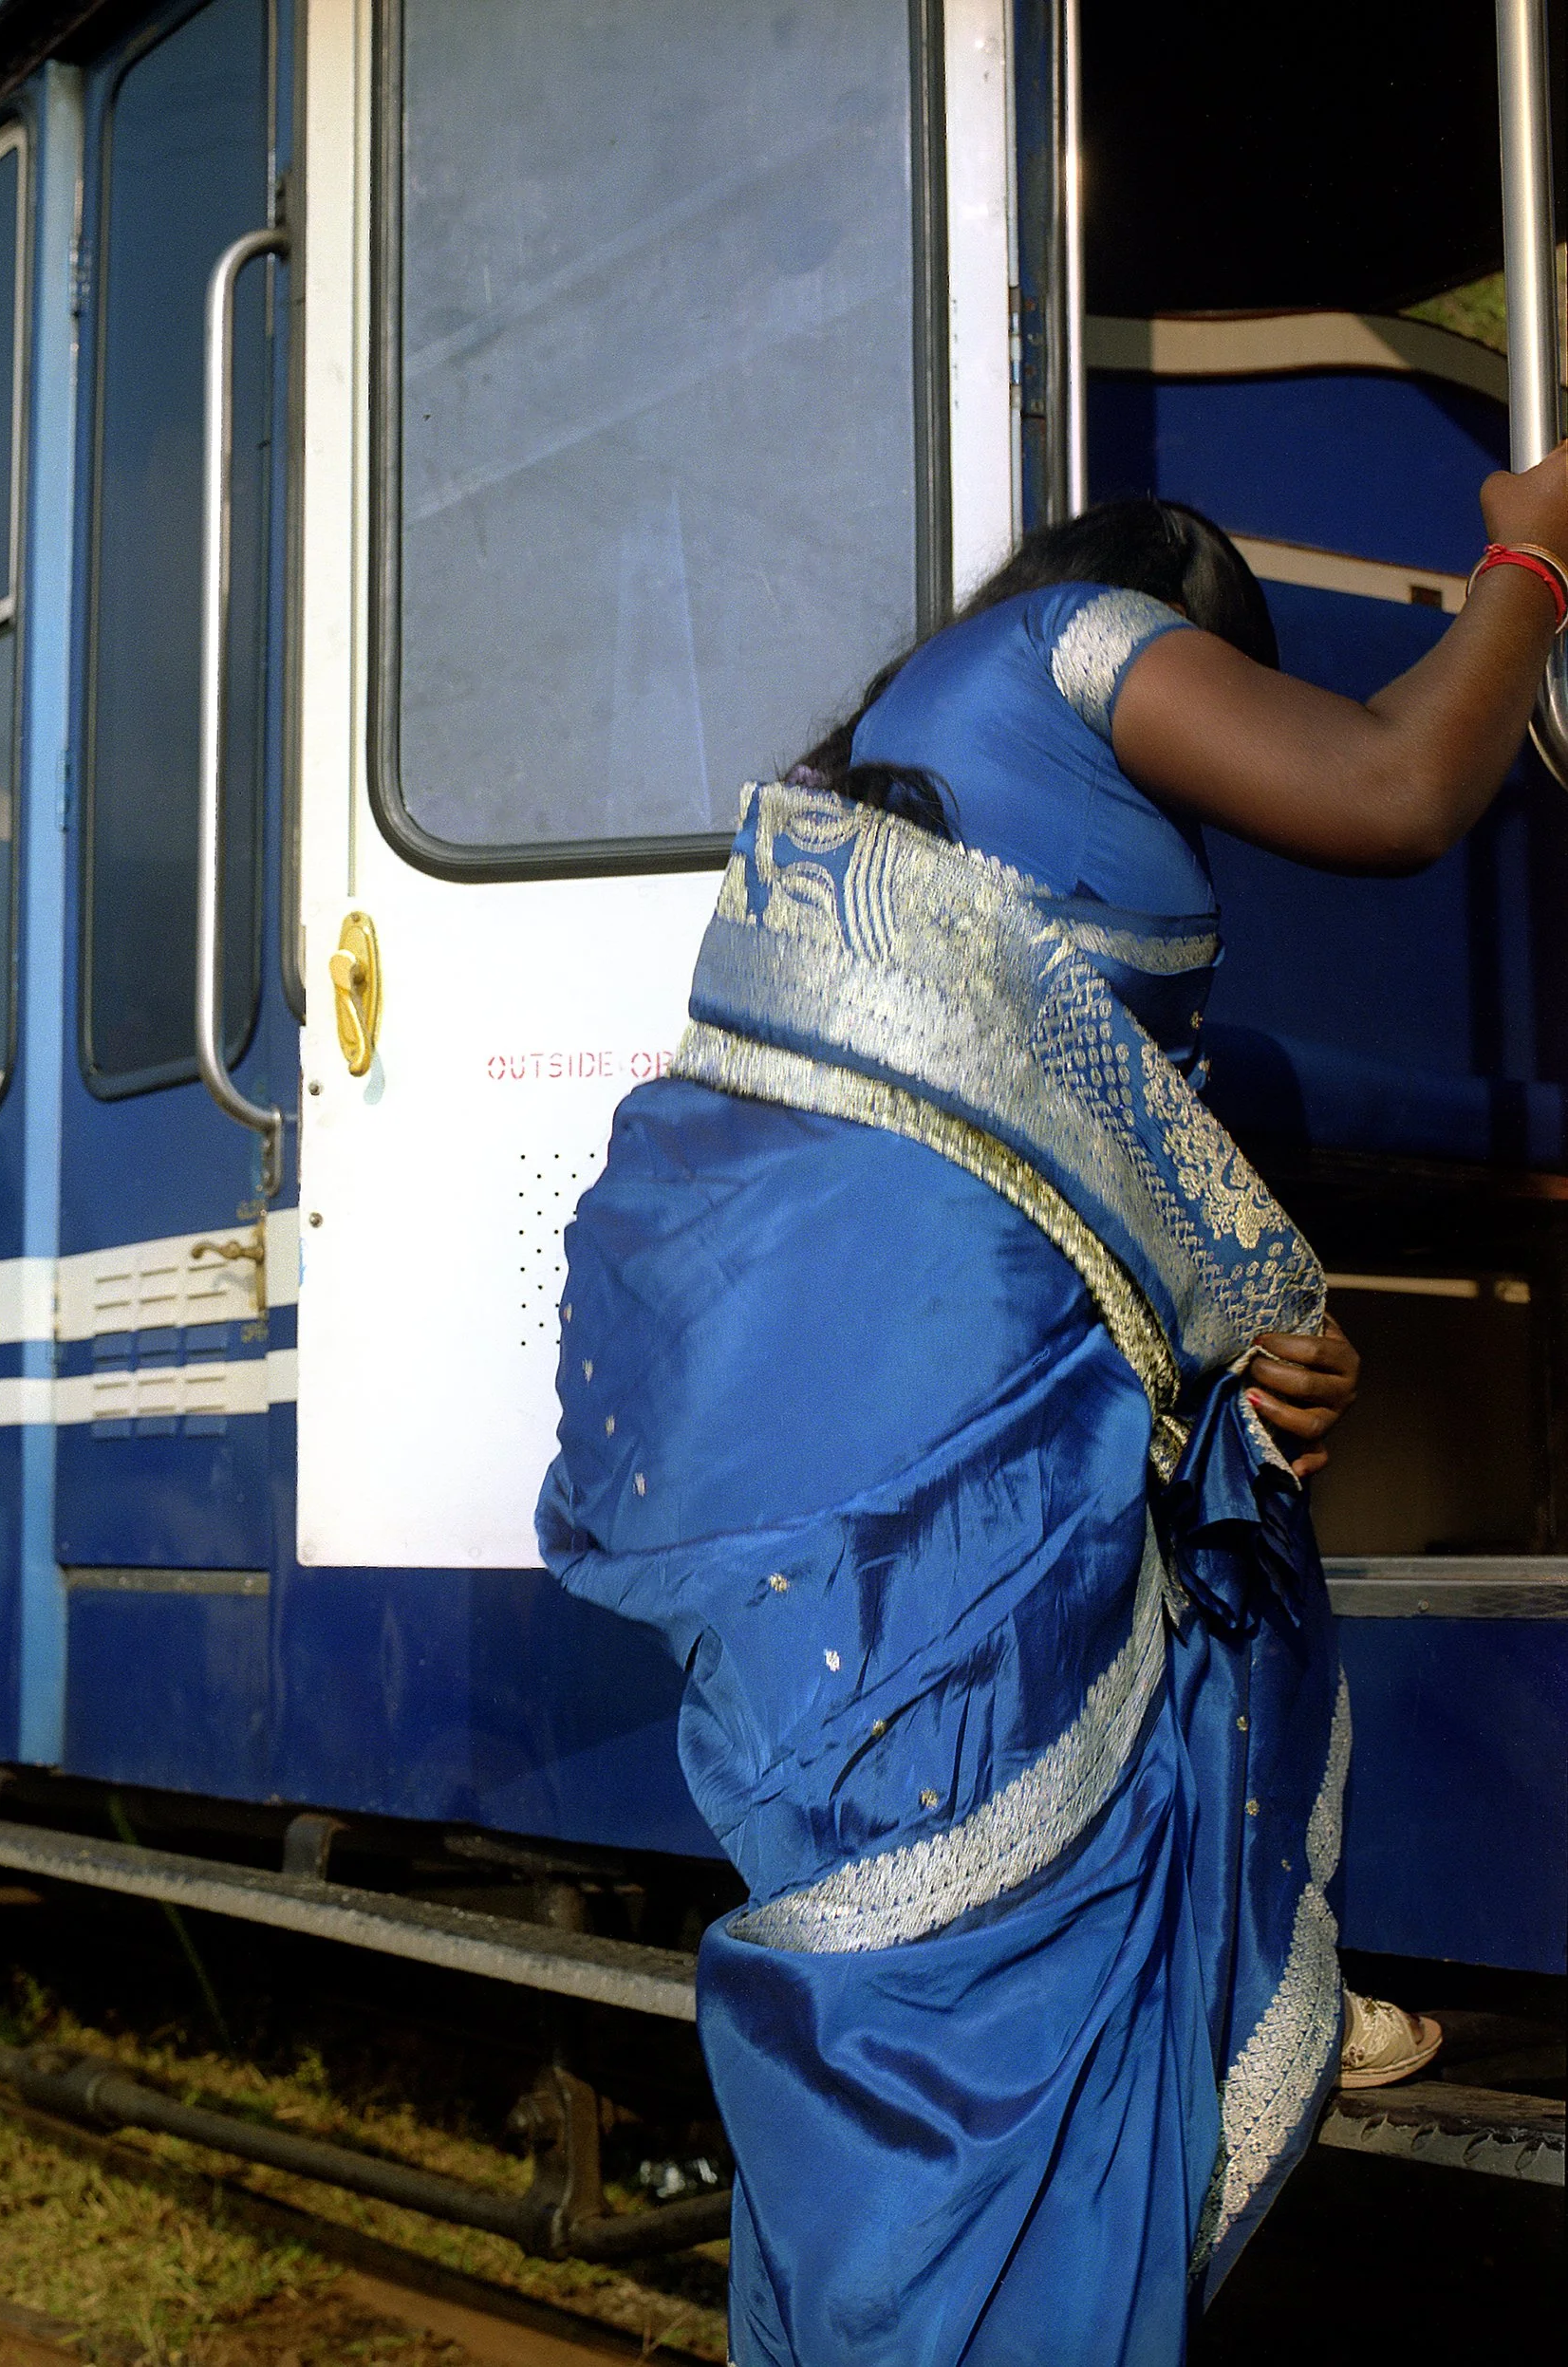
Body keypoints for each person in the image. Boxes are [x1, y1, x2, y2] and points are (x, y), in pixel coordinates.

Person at [538, 460, 1568, 2362]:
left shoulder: (930, 770)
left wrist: (1258, 1343)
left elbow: (1062, 1193)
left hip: (849, 1399)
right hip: (899, 1401)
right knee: (960, 1932)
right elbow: (1392, 785)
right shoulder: (1069, 644)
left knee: (927, 1920)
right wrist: (1529, 548)